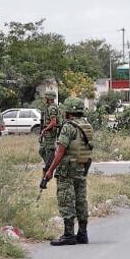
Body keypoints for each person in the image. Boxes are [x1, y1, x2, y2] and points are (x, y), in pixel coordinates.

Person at [40, 98, 93, 246]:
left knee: (66, 199)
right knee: (81, 200)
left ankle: (69, 235)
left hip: (67, 170)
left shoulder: (68, 127)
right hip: (82, 168)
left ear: (69, 111)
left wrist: (50, 171)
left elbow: (60, 151)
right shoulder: (87, 125)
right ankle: (83, 234)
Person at [39, 90, 62, 173]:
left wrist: (45, 129)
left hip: (50, 132)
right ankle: (49, 165)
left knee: (49, 151)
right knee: (42, 150)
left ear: (49, 98)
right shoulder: (50, 107)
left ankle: (50, 167)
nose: (44, 99)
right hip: (48, 131)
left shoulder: (52, 108)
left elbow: (53, 122)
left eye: (45, 97)